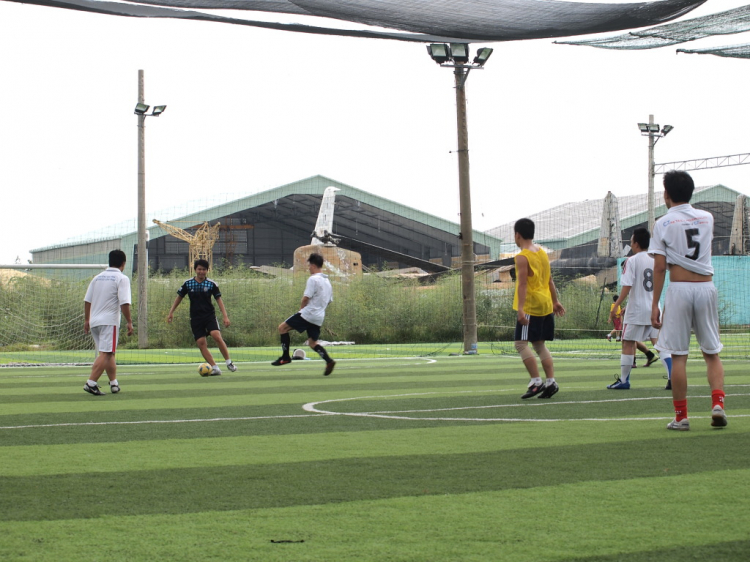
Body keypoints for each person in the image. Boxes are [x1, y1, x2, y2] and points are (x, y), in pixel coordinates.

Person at [649, 170, 726, 431]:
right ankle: (718, 404)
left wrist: (655, 306)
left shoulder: (663, 223)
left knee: (679, 356)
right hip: (706, 287)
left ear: (666, 194)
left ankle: (681, 417)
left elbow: (659, 268)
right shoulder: (708, 218)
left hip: (680, 289)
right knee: (711, 353)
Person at [607, 228, 672, 390]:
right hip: (654, 308)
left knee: (627, 343)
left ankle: (624, 380)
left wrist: (616, 306)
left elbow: (628, 286)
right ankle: (673, 378)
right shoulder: (656, 260)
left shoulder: (632, 261)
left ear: (635, 243)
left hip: (636, 311)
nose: (631, 244)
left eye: (631, 241)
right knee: (660, 345)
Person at [512, 218, 566, 399]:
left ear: (517, 235)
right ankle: (551, 382)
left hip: (531, 305)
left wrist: (520, 309)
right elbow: (550, 279)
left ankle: (536, 381)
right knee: (539, 344)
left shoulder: (522, 256)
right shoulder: (542, 253)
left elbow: (522, 284)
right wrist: (555, 301)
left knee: (521, 343)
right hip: (546, 304)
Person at [167, 259, 236, 375]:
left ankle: (229, 362)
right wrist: (171, 312)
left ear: (207, 270)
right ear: (195, 270)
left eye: (204, 269)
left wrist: (225, 316)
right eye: (199, 269)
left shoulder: (211, 284)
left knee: (216, 335)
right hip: (195, 318)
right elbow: (179, 298)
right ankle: (215, 367)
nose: (201, 272)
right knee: (201, 343)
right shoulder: (188, 284)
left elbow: (219, 300)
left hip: (209, 316)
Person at [272, 252, 336, 376]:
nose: (308, 268)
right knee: (312, 343)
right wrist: (319, 310)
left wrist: (301, 311)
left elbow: (306, 298)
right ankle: (329, 361)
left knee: (282, 328)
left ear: (312, 265)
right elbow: (329, 301)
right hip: (319, 317)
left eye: (309, 266)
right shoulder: (327, 281)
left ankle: (285, 357)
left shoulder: (313, 279)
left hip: (308, 313)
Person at [83, 249, 133, 395]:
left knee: (108, 353)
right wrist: (129, 321)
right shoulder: (122, 278)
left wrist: (87, 320)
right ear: (123, 263)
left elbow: (87, 300)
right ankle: (91, 383)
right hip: (109, 321)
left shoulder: (97, 277)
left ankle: (114, 383)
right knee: (106, 353)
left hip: (94, 321)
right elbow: (124, 303)